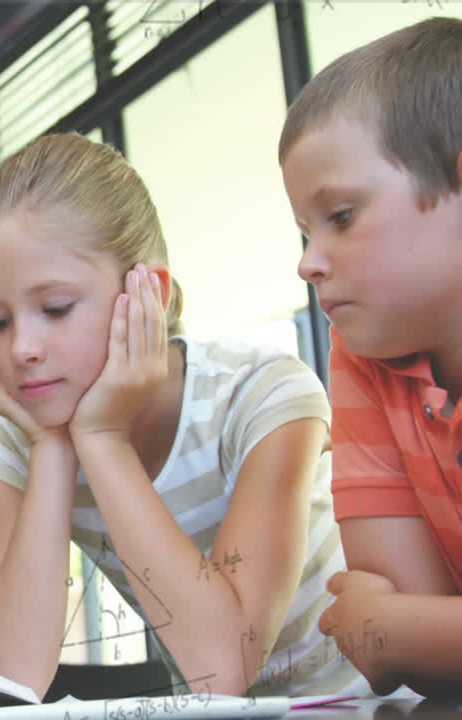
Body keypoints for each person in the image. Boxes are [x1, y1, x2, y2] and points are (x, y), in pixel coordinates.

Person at [0, 132, 365, 698]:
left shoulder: (262, 395)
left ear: (146, 293)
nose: (22, 347)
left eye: (54, 309)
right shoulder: (15, 440)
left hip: (373, 705)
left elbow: (225, 667)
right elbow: (9, 679)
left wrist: (102, 439)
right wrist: (53, 451)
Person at [280, 17, 462, 698]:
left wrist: (401, 626)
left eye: (343, 217)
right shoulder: (363, 352)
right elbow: (385, 646)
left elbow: (389, 625)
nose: (307, 262)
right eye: (302, 230)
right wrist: (405, 629)